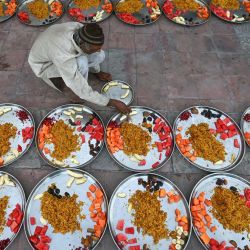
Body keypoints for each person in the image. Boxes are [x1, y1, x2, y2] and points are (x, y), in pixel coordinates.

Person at [28, 22, 131, 114]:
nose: (99, 50)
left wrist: (97, 71)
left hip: (53, 47)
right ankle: (72, 91)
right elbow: (79, 86)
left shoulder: (81, 29)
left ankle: (91, 73)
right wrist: (111, 102)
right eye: (95, 48)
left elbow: (94, 51)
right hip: (45, 65)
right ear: (83, 45)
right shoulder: (62, 54)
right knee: (81, 64)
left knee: (100, 55)